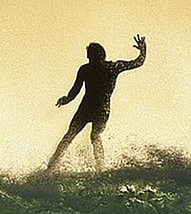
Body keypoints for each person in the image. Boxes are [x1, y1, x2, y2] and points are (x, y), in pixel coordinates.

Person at [47, 34, 147, 171]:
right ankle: (53, 167)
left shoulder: (102, 68)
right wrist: (66, 99)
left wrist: (67, 99)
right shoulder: (101, 68)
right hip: (94, 109)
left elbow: (138, 63)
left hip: (95, 109)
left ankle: (98, 167)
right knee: (81, 136)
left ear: (99, 56)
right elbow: (75, 90)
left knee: (86, 136)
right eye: (90, 57)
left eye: (92, 56)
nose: (91, 59)